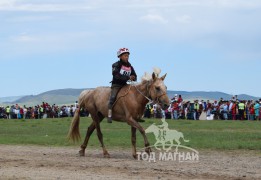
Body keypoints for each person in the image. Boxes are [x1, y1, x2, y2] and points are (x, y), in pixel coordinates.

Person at [107, 47, 137, 123]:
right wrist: (128, 77)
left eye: (128, 55)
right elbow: (116, 76)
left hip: (126, 85)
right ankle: (109, 115)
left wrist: (133, 78)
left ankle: (135, 115)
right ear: (120, 56)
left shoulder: (130, 66)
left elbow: (135, 76)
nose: (127, 57)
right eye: (125, 55)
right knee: (112, 98)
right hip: (116, 85)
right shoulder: (115, 65)